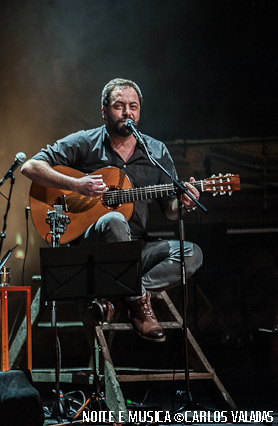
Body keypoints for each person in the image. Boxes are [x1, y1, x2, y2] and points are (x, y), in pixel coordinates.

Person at [21, 78, 203, 342]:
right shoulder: (85, 142)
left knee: (192, 253)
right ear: (104, 110)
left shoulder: (156, 151)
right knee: (115, 218)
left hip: (136, 248)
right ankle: (139, 306)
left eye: (133, 107)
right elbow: (30, 167)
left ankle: (120, 299)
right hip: (92, 248)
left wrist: (184, 204)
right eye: (119, 106)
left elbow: (171, 211)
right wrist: (76, 184)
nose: (127, 112)